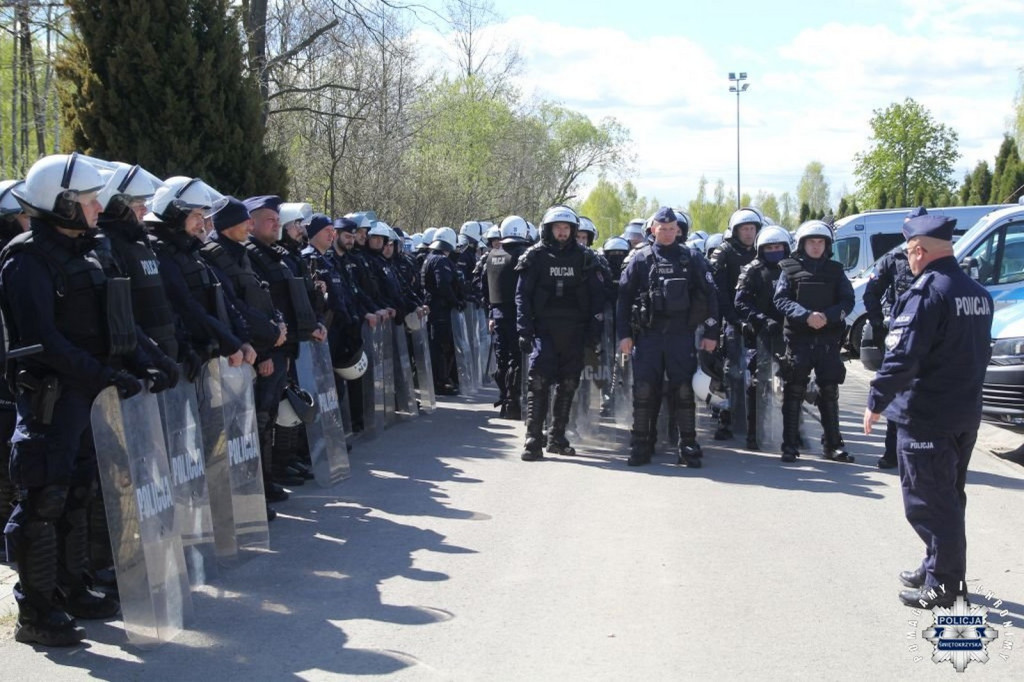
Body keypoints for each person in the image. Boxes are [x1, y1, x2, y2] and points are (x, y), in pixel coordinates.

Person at [0, 153, 160, 646]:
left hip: (90, 395)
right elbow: (43, 339)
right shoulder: (26, 259)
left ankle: (71, 587)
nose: (97, 210)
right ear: (63, 203)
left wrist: (139, 363)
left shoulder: (88, 252)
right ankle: (37, 611)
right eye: (89, 202)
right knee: (44, 498)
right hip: (54, 398)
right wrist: (104, 373)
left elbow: (114, 322)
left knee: (79, 492)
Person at [863, 214, 993, 609]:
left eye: (909, 252)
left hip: (928, 417)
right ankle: (937, 565)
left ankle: (943, 585)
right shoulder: (977, 292)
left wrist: (876, 400)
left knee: (930, 504)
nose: (909, 259)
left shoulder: (927, 293)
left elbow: (903, 357)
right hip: (963, 413)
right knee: (949, 498)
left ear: (919, 250)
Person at [617, 207, 719, 467]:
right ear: (653, 230)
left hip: (681, 334)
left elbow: (710, 296)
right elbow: (624, 299)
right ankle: (641, 444)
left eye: (672, 229)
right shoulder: (640, 259)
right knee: (644, 391)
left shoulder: (692, 258)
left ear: (678, 230)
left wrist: (711, 333)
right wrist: (624, 335)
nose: (667, 233)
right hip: (648, 335)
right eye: (662, 229)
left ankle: (687, 445)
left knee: (684, 391)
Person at [515, 205, 604, 461]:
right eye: (558, 228)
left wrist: (594, 331)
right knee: (538, 381)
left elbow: (598, 297)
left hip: (575, 331)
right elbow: (522, 296)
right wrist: (524, 330)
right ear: (549, 230)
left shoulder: (587, 258)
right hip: (544, 330)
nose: (562, 233)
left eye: (566, 228)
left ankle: (557, 436)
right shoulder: (535, 257)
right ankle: (533, 438)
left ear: (573, 230)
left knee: (568, 383)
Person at [773, 220, 855, 463]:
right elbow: (781, 300)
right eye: (812, 242)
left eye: (821, 242)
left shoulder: (836, 270)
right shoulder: (788, 270)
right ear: (802, 244)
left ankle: (832, 444)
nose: (816, 246)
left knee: (829, 391)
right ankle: (789, 445)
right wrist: (806, 316)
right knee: (794, 390)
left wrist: (826, 317)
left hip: (828, 341)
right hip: (799, 340)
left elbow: (847, 300)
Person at [862, 208, 922, 469]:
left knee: (925, 396)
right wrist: (879, 323)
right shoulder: (894, 258)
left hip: (930, 338)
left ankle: (920, 452)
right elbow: (871, 293)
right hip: (901, 336)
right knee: (896, 394)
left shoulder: (936, 258)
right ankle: (892, 452)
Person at [734, 225, 791, 452]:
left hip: (789, 334)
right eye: (769, 247)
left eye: (778, 247)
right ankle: (753, 434)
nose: (774, 250)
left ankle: (793, 433)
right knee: (757, 385)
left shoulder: (794, 268)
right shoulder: (752, 270)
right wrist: (760, 319)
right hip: (761, 336)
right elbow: (740, 302)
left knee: (792, 383)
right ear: (761, 249)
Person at [709, 207, 762, 441]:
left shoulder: (765, 252)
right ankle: (726, 420)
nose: (749, 233)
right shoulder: (724, 253)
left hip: (760, 321)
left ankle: (761, 419)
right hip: (732, 320)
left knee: (764, 372)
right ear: (736, 231)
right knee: (732, 370)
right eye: (744, 229)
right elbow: (718, 292)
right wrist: (733, 320)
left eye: (752, 228)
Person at [484, 215, 531, 419]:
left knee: (502, 360)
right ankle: (512, 402)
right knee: (516, 360)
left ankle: (504, 398)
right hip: (516, 314)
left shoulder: (492, 255)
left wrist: (491, 312)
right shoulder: (521, 255)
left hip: (497, 314)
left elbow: (485, 288)